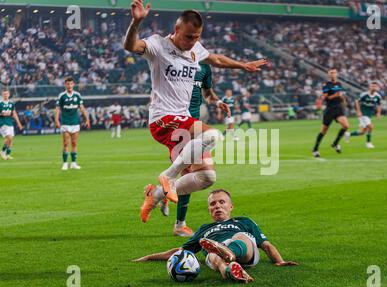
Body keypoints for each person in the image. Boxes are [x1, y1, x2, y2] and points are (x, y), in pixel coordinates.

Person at [123, 2, 267, 224]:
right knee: (213, 136)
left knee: (206, 177)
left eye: (197, 37)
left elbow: (217, 59)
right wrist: (136, 22)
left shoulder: (195, 49)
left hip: (184, 121)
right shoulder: (157, 45)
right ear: (177, 29)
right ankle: (168, 177)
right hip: (163, 119)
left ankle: (155, 196)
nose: (193, 42)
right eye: (190, 36)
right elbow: (131, 45)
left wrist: (243, 65)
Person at [133, 189, 298, 283]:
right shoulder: (204, 229)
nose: (217, 206)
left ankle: (229, 252)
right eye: (213, 204)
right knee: (211, 253)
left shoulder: (243, 221)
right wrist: (148, 257)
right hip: (217, 255)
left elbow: (266, 245)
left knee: (241, 236)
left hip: (244, 252)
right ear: (209, 210)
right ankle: (230, 272)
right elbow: (180, 251)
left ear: (231, 206)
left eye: (222, 202)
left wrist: (280, 261)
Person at [162, 62, 228, 237]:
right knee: (187, 175)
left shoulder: (204, 67)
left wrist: (218, 101)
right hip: (178, 129)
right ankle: (180, 224)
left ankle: (163, 190)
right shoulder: (172, 62)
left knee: (206, 175)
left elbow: (207, 93)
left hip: (196, 127)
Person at [55, 77, 91, 170]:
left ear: (73, 84)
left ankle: (74, 163)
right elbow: (58, 109)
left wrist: (87, 119)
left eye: (71, 84)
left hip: (75, 122)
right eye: (67, 84)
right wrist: (56, 120)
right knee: (66, 143)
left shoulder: (77, 95)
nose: (69, 85)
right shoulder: (62, 96)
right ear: (65, 85)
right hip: (66, 122)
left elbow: (82, 108)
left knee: (74, 143)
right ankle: (65, 163)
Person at [312, 68, 349, 158]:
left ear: (337, 74)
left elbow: (339, 95)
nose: (333, 74)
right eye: (331, 73)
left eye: (334, 72)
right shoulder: (326, 85)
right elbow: (325, 98)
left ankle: (335, 143)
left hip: (338, 108)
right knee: (324, 130)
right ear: (329, 75)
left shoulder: (339, 84)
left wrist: (343, 100)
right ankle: (315, 149)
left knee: (346, 126)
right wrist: (334, 96)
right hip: (330, 109)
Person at [345, 82, 382, 148]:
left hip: (369, 114)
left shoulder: (378, 96)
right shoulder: (364, 95)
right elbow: (357, 102)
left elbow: (379, 104)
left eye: (375, 86)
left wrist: (378, 113)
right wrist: (358, 111)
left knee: (362, 132)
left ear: (377, 88)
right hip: (363, 113)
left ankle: (348, 134)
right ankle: (368, 143)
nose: (374, 87)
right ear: (369, 87)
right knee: (370, 127)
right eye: (372, 86)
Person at [0, 88, 23, 160]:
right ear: (2, 95)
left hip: (10, 123)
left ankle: (8, 154)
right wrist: (2, 113)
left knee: (11, 140)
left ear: (9, 94)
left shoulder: (11, 103)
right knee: (9, 137)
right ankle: (2, 151)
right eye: (4, 94)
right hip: (2, 123)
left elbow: (14, 114)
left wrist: (19, 124)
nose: (5, 95)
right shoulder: (0, 103)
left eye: (7, 94)